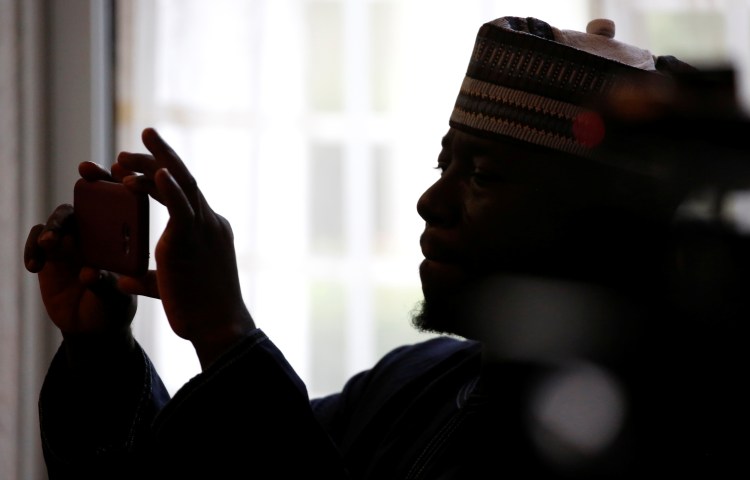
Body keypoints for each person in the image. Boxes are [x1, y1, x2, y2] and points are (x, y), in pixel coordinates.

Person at [25, 15, 744, 479]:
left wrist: (225, 333)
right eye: (444, 164)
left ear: (605, 227)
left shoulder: (637, 437)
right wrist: (101, 355)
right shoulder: (421, 382)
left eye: (484, 174)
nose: (433, 201)